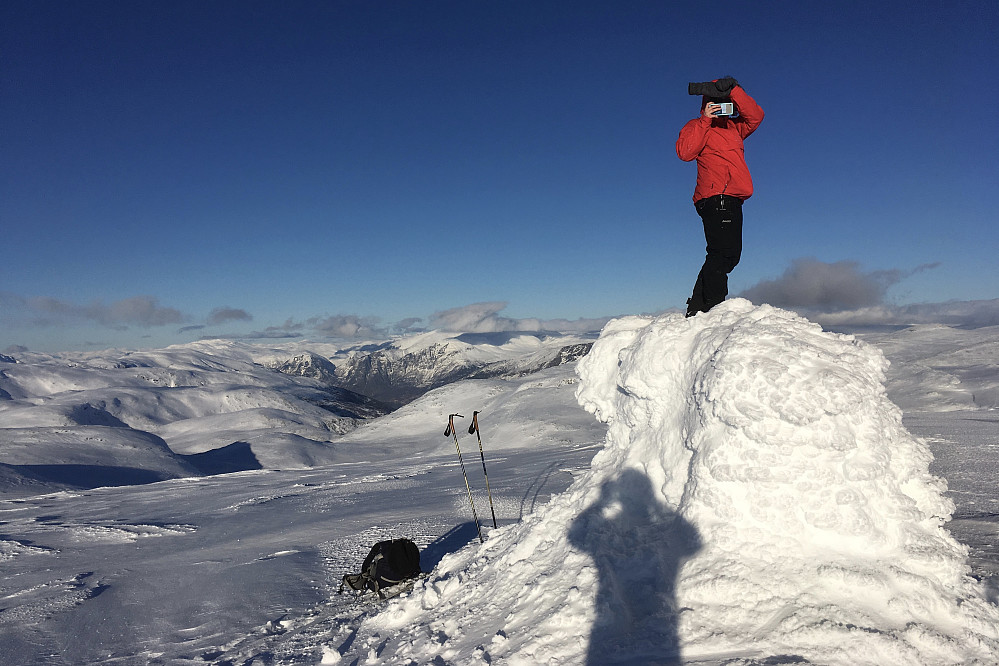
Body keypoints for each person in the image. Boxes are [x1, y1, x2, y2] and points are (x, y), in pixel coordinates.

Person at [676, 77, 764, 317]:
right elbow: (685, 152)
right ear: (707, 104)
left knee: (726, 254)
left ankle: (698, 308)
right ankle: (712, 307)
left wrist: (734, 90)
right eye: (718, 103)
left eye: (726, 104)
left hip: (732, 198)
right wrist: (706, 118)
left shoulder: (735, 128)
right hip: (717, 197)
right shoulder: (697, 125)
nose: (723, 108)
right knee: (724, 253)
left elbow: (756, 116)